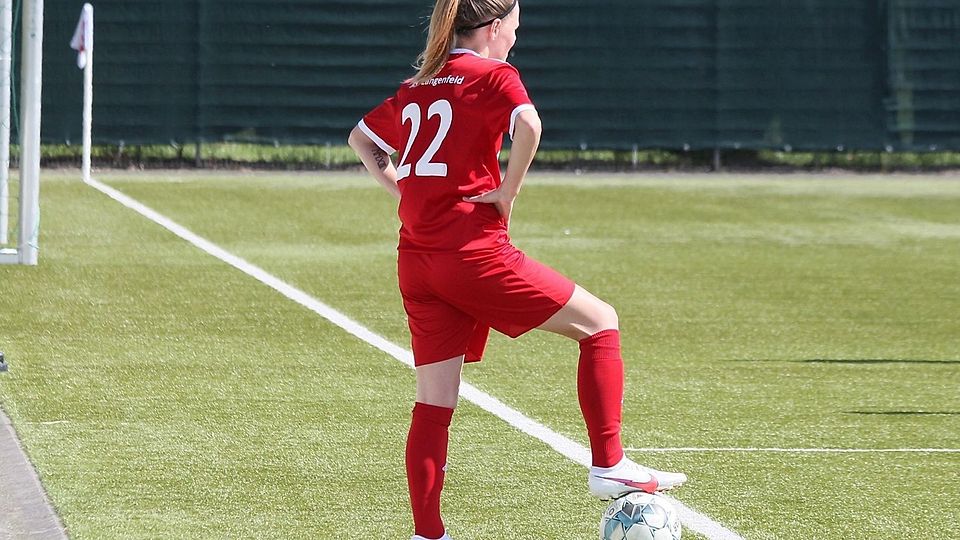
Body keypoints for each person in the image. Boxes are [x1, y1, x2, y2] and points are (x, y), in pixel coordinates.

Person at [348, 1, 687, 538]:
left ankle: (427, 533)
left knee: (434, 400)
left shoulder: (419, 85)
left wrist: (402, 191)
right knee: (600, 322)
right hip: (473, 253)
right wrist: (508, 191)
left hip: (417, 261)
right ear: (492, 28)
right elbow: (530, 124)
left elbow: (362, 140)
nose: (514, 40)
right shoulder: (493, 75)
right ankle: (609, 464)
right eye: (514, 29)